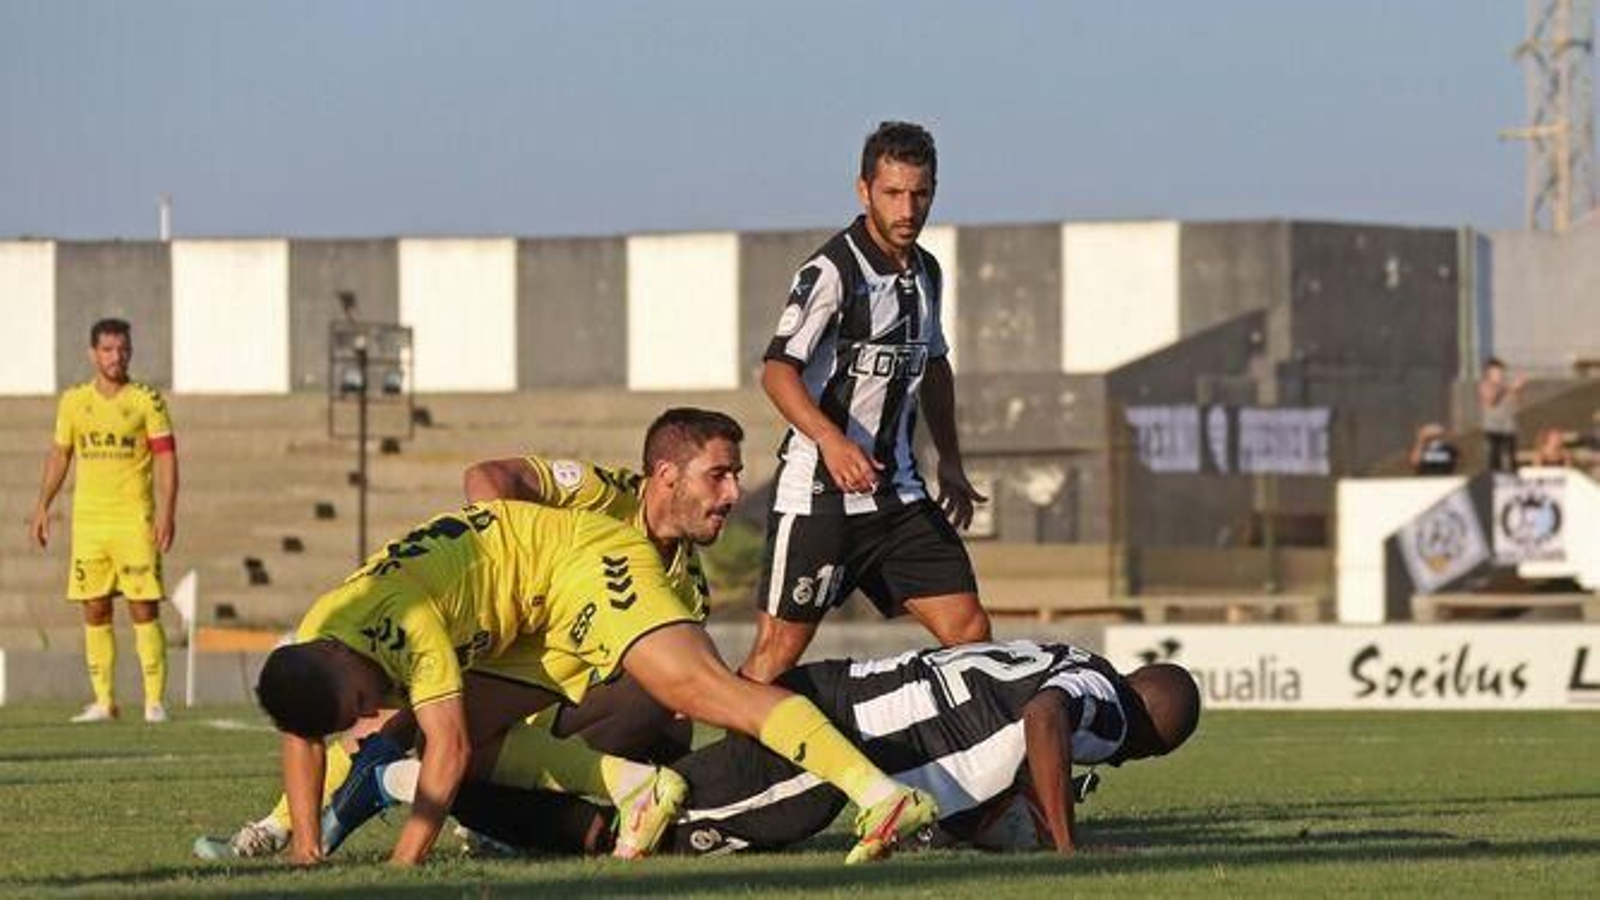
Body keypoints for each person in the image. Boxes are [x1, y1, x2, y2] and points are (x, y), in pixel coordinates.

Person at [255, 499, 937, 867]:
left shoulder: (404, 622)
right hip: (525, 614)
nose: (370, 710)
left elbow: (447, 750)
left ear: (339, 660)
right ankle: (638, 790)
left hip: (581, 564)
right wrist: (307, 849)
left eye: (359, 701)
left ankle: (880, 796)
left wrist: (406, 864)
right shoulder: (323, 636)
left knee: (697, 689)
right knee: (481, 738)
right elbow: (301, 737)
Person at [198, 408, 738, 859]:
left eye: (735, 476)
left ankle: (416, 799)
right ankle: (287, 825)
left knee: (447, 736)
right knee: (408, 720)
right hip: (503, 630)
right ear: (668, 475)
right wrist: (525, 557)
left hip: (556, 672)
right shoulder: (600, 494)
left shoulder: (687, 587)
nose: (733, 494)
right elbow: (488, 476)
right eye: (719, 475)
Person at [438, 640, 1202, 857]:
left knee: (669, 785)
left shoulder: (1069, 655)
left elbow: (979, 737)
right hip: (835, 736)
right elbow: (1042, 722)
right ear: (1149, 738)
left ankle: (483, 798)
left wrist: (977, 826)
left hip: (832, 701)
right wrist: (1068, 847)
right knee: (658, 827)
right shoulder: (1106, 711)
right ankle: (465, 798)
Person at [744, 120, 991, 684]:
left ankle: (987, 769)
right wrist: (831, 441)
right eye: (893, 193)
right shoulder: (833, 270)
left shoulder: (927, 271)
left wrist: (949, 462)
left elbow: (933, 365)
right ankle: (726, 766)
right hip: (820, 497)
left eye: (920, 194)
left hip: (898, 497)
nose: (908, 209)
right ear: (864, 191)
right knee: (774, 656)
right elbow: (778, 372)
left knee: (971, 635)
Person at [29, 318, 179, 724]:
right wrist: (43, 504)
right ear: (93, 353)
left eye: (123, 349)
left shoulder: (146, 399)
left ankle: (153, 702)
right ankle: (104, 701)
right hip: (89, 523)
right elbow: (60, 454)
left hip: (134, 520)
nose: (117, 357)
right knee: (94, 609)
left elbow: (166, 456)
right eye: (109, 349)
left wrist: (167, 510)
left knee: (143, 607)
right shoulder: (74, 402)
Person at [1478, 358, 1524, 473]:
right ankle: (1494, 477)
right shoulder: (1485, 385)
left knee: (1511, 456)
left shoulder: (1507, 385)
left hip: (1508, 426)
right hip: (1493, 427)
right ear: (1489, 373)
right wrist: (1504, 387)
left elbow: (1516, 404)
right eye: (1496, 372)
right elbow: (1490, 400)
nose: (1499, 375)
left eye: (1500, 372)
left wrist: (1517, 390)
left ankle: (1513, 477)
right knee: (1494, 457)